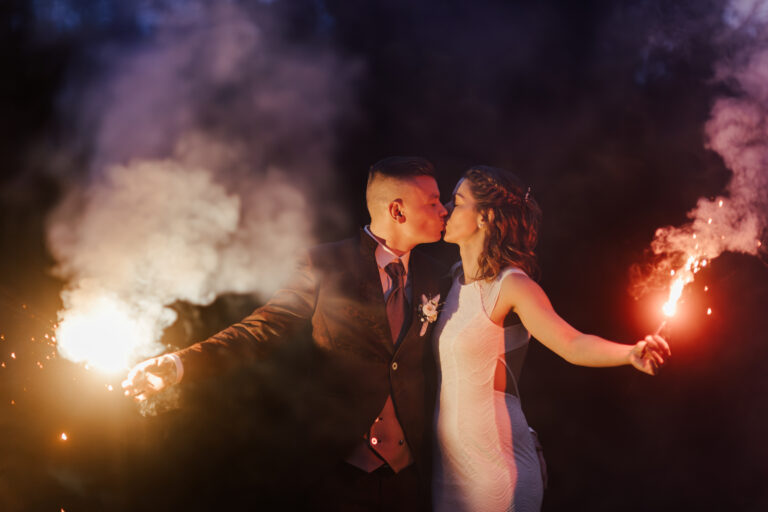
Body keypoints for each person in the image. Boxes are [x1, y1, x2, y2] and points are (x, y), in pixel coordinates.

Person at [122, 156, 449, 512]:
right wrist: (178, 364)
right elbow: (263, 328)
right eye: (432, 202)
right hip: (337, 471)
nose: (443, 209)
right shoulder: (324, 264)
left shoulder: (438, 275)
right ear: (397, 211)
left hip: (413, 477)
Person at [431, 166, 670, 512]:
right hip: (446, 473)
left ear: (485, 217)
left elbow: (571, 343)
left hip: (495, 470)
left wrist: (630, 353)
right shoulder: (449, 281)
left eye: (457, 202)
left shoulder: (512, 284)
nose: (446, 211)